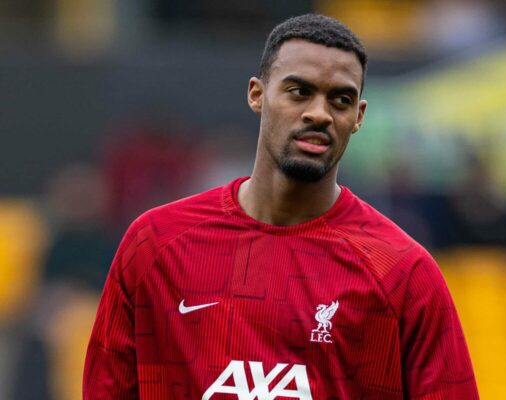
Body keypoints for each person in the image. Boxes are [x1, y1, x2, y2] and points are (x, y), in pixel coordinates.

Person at [83, 14, 478, 400]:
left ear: (358, 117)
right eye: (299, 91)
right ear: (257, 94)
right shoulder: (156, 244)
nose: (319, 113)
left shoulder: (402, 272)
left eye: (340, 99)